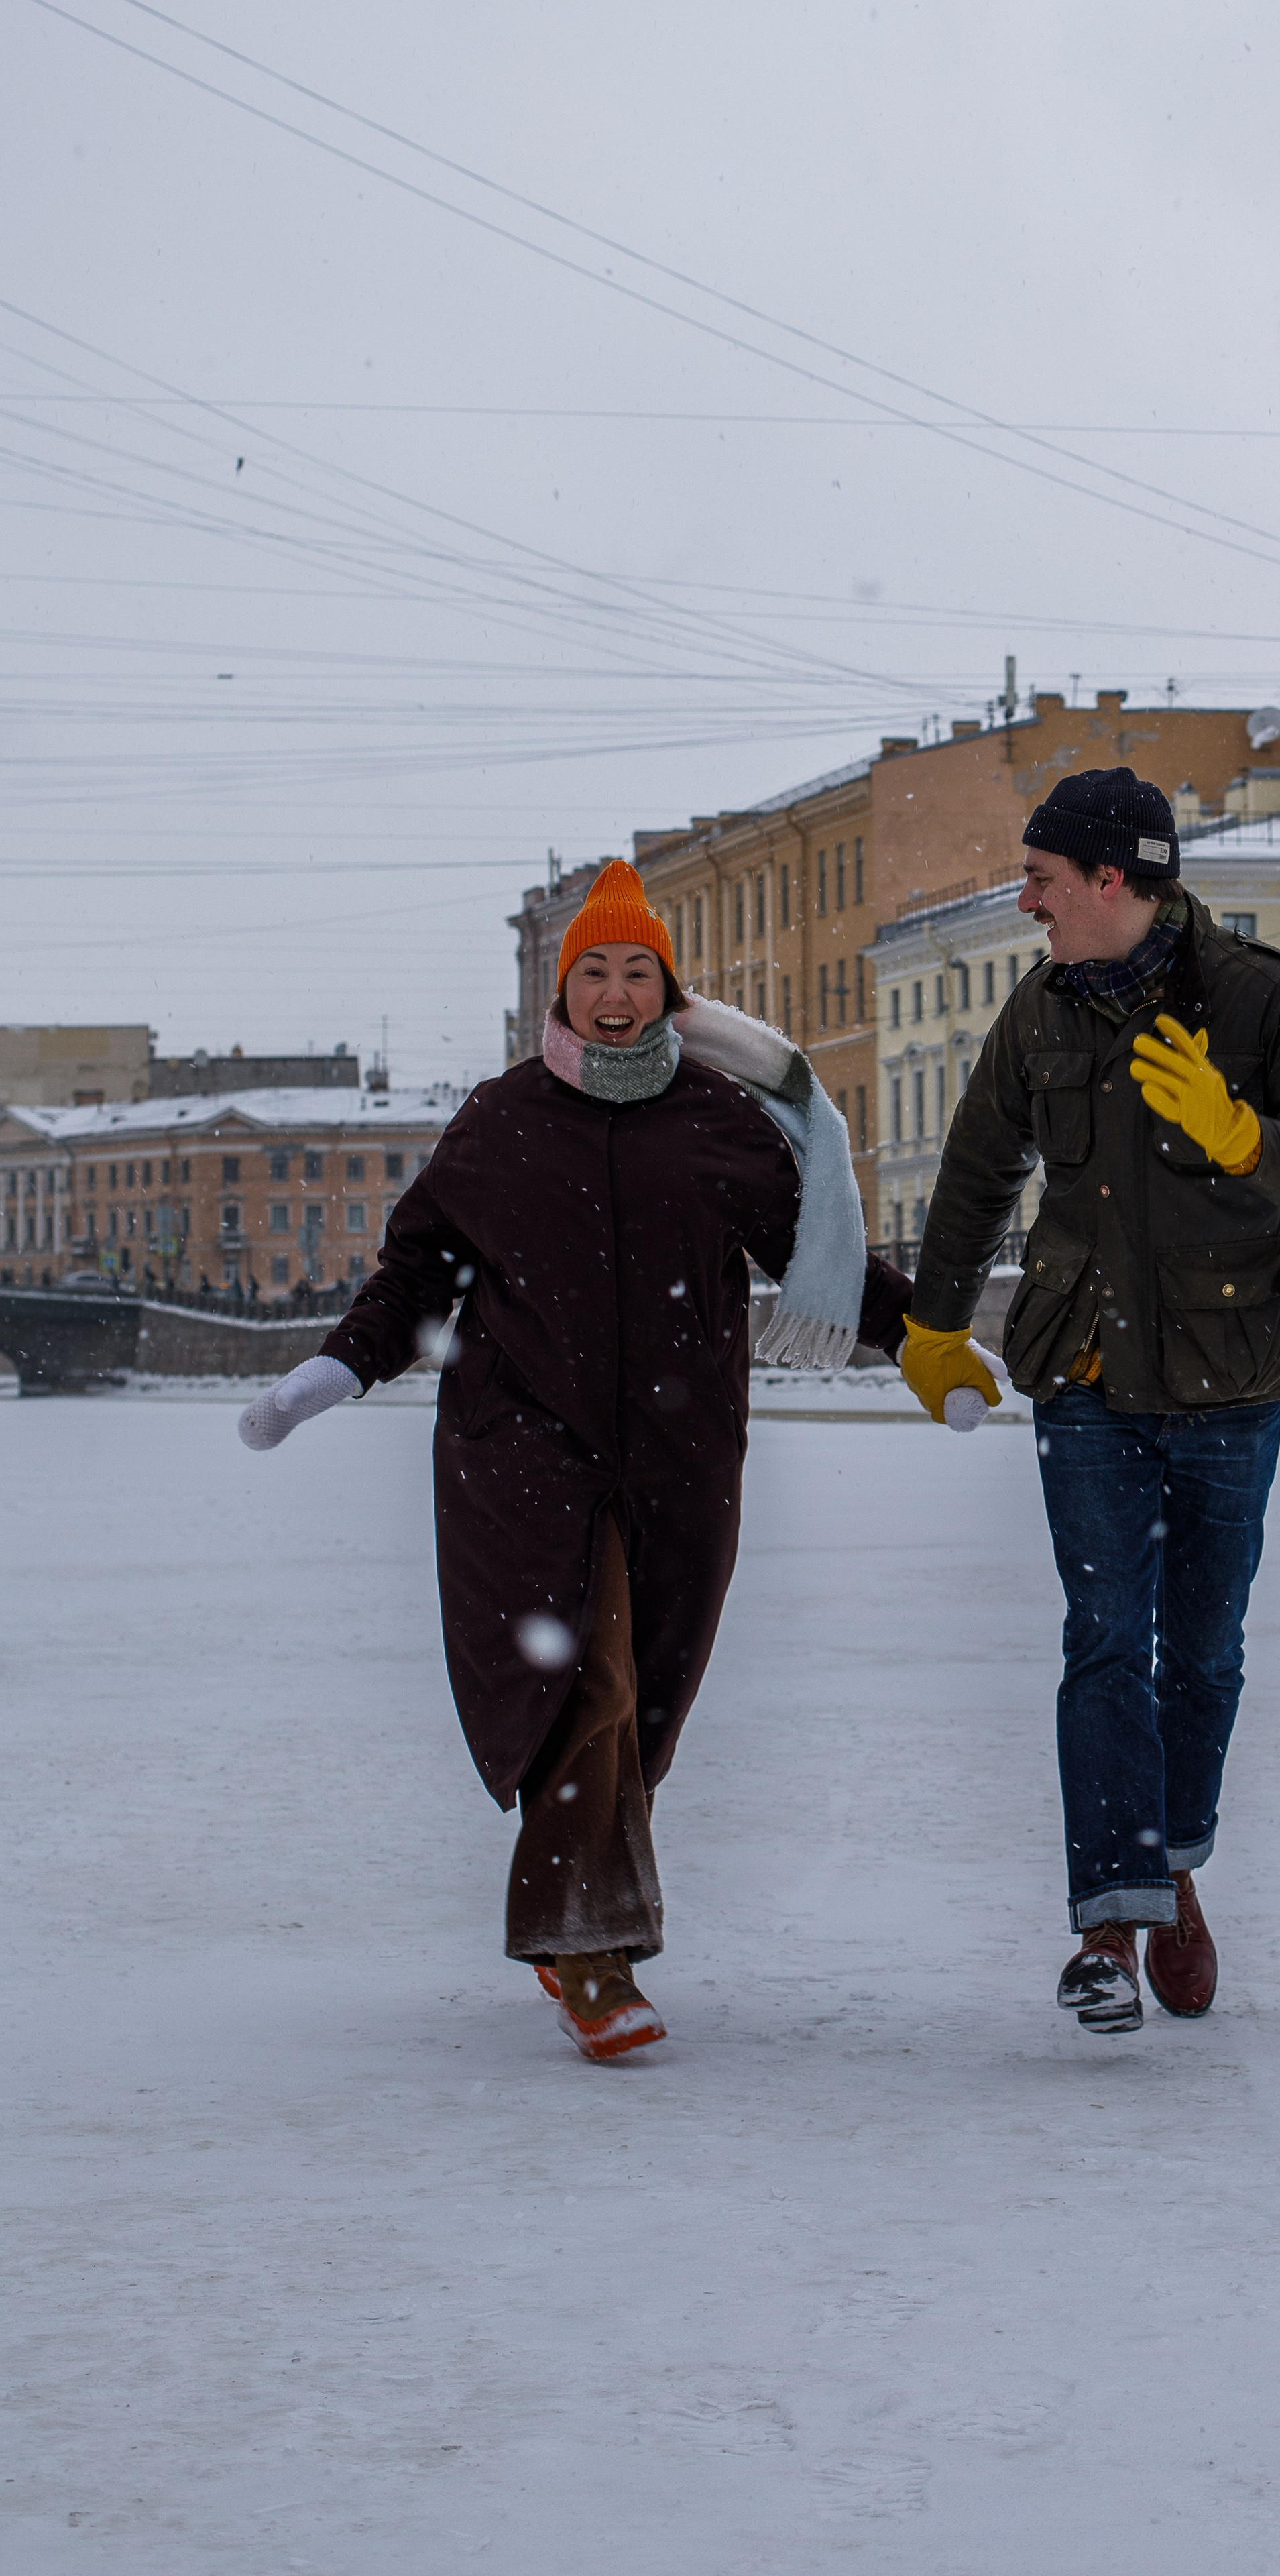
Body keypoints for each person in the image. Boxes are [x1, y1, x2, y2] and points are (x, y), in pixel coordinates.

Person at [237, 861, 911, 2060]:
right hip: (523, 1450)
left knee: (642, 1699)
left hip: (678, 1453)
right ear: (560, 989)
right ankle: (590, 1947)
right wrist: (335, 1369)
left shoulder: (718, 1122)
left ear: (667, 987)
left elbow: (818, 1264)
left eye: (634, 970)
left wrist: (927, 1340)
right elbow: (421, 1274)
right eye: (591, 970)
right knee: (585, 1681)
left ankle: (579, 1920)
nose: (613, 992)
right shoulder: (500, 1122)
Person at [898, 770, 1280, 2034]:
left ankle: (1170, 1867)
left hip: (1230, 1379)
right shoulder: (1043, 1011)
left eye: (1045, 880)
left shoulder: (1266, 999)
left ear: (1114, 880)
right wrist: (937, 1319)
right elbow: (975, 1169)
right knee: (1106, 1638)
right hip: (1088, 1381)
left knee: (1205, 1653)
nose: (1028, 903)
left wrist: (1245, 1139)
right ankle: (1109, 1922)